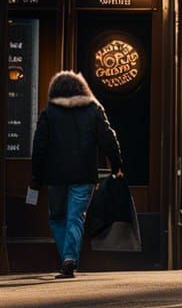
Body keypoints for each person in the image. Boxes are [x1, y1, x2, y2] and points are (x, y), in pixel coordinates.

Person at [30, 71, 124, 278]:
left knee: (57, 217)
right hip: (84, 174)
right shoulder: (94, 109)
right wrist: (116, 165)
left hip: (55, 176)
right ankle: (69, 257)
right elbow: (109, 138)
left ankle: (67, 257)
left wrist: (36, 175)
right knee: (76, 217)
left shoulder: (49, 113)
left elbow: (39, 145)